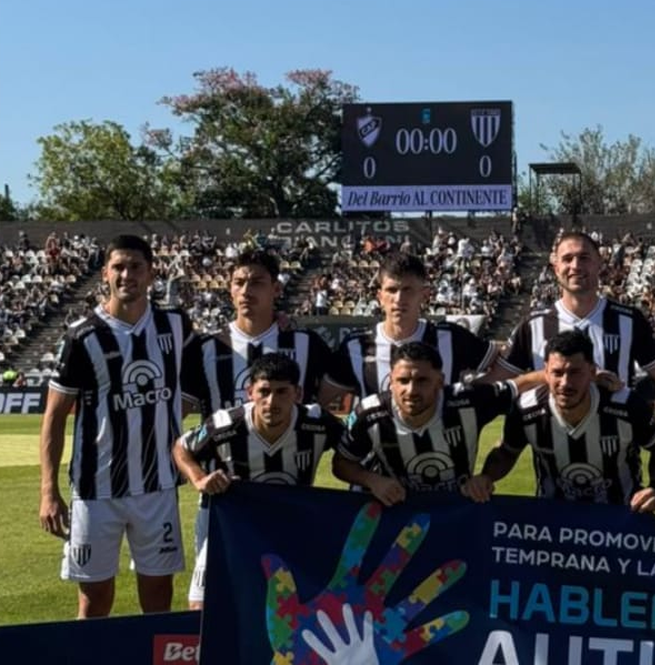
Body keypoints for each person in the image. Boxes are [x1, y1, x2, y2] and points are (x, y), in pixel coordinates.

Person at [39, 234, 195, 618]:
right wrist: (48, 490)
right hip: (97, 491)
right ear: (105, 274)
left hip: (157, 487)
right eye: (119, 267)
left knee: (159, 598)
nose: (127, 275)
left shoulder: (175, 325)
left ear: (151, 273)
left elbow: (212, 363)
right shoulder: (82, 336)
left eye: (136, 267)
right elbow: (55, 416)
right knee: (94, 599)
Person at [173, 353, 346, 609]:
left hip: (290, 524)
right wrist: (199, 479)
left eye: (281, 392)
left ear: (298, 393)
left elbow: (352, 453)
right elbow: (181, 447)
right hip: (226, 523)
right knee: (204, 607)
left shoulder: (317, 423)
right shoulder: (225, 425)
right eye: (264, 392)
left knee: (295, 604)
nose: (271, 401)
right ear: (249, 392)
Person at [467, 331, 655, 512]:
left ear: (592, 372)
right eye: (557, 373)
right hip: (555, 523)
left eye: (575, 372)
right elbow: (506, 452)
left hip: (619, 520)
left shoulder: (626, 405)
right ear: (545, 371)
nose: (565, 383)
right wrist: (486, 477)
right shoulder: (525, 410)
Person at [491, 231, 655, 394]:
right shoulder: (533, 326)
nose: (576, 266)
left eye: (584, 258)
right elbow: (494, 387)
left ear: (599, 263)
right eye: (567, 259)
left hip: (618, 438)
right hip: (552, 440)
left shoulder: (628, 320)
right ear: (556, 268)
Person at [332, 342, 524, 504]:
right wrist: (372, 480)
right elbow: (341, 464)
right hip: (397, 512)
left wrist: (485, 477)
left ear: (440, 381)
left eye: (422, 380)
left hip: (457, 510)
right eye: (403, 380)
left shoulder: (467, 399)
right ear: (391, 381)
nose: (411, 390)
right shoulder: (370, 414)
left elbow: (521, 384)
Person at [321, 253, 498, 409]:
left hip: (438, 446)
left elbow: (505, 365)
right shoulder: (355, 345)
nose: (399, 299)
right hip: (378, 446)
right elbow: (322, 401)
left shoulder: (451, 337)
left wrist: (472, 398)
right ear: (380, 297)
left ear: (424, 295)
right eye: (391, 290)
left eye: (408, 290)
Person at [182, 249, 335, 419]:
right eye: (239, 282)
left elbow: (335, 393)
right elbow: (176, 410)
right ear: (230, 289)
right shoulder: (205, 348)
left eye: (256, 283)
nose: (246, 291)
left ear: (276, 289)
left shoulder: (308, 344)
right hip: (226, 446)